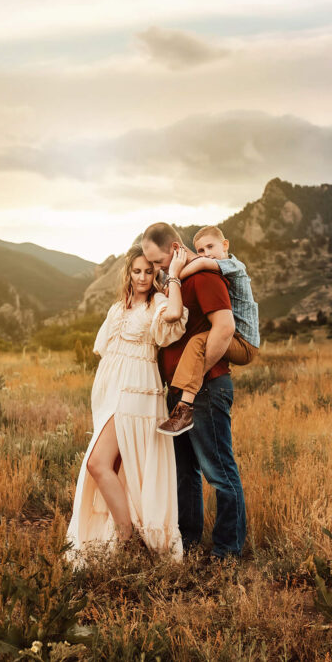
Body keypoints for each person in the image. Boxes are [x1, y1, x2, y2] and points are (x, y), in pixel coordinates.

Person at [65, 244, 189, 564]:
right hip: (111, 393)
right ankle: (124, 535)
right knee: (114, 467)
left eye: (149, 271)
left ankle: (128, 538)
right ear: (128, 273)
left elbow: (175, 316)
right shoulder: (117, 307)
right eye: (137, 271)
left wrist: (172, 277)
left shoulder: (158, 303)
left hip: (136, 394)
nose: (143, 277)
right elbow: (104, 352)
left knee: (97, 463)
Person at [141, 222, 248, 560]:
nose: (157, 270)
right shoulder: (177, 282)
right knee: (185, 472)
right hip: (179, 394)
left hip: (206, 389)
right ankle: (188, 542)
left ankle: (227, 551)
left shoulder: (203, 277)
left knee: (219, 471)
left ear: (174, 249)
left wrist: (195, 379)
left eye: (159, 262)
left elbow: (225, 327)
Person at [157, 225, 259, 436]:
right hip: (235, 339)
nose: (206, 253)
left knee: (198, 342)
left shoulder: (233, 265)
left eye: (210, 247)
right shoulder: (215, 269)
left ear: (225, 245)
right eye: (201, 250)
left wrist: (174, 277)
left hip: (245, 342)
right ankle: (183, 407)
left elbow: (200, 263)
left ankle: (185, 409)